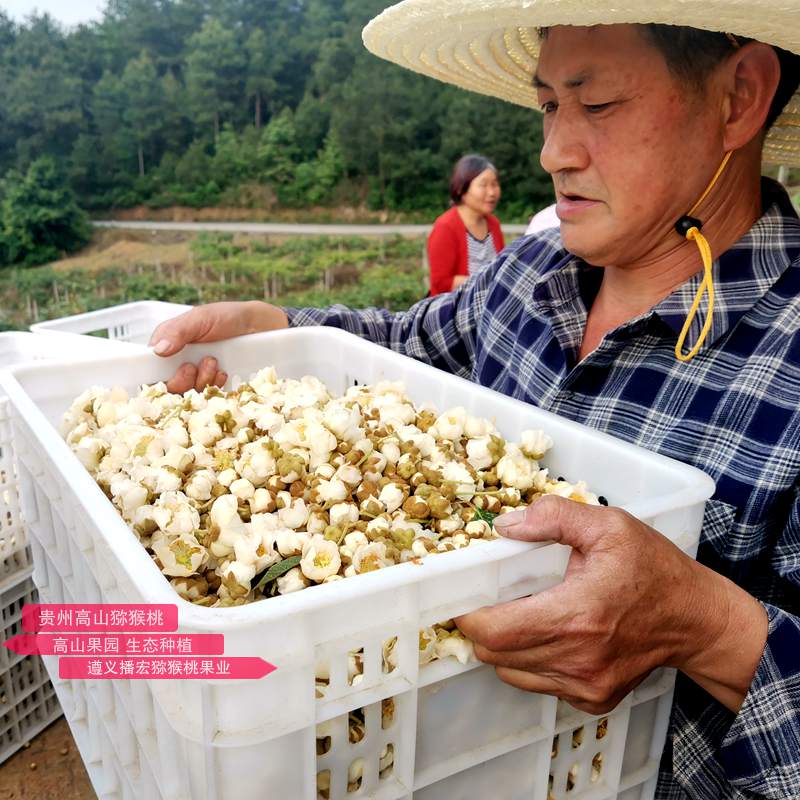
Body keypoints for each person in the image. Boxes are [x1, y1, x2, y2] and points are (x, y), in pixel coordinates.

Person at [149, 5, 800, 798]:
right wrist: (277, 325)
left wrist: (709, 629)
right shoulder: (529, 276)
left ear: (740, 97)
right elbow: (408, 342)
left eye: (596, 104)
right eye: (550, 105)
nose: (553, 151)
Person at [427, 154, 505, 294]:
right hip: (455, 310)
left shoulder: (494, 224)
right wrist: (487, 281)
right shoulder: (445, 227)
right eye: (483, 185)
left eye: (494, 184)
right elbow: (441, 282)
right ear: (460, 188)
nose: (492, 192)